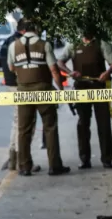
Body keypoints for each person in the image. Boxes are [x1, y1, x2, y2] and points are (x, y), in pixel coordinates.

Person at [7, 18, 70, 176]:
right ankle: (54, 166)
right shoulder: (44, 44)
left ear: (22, 30)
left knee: (23, 130)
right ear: (35, 28)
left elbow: (11, 67)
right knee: (50, 127)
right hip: (43, 89)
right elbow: (54, 70)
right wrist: (60, 88)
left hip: (23, 92)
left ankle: (24, 166)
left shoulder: (13, 46)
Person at [56, 31, 112, 169]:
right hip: (81, 89)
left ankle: (106, 159)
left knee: (104, 123)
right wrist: (70, 72)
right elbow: (60, 62)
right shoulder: (73, 44)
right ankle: (84, 159)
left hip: (99, 88)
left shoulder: (101, 43)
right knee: (83, 124)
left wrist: (107, 73)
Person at [0, 23, 39, 172]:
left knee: (17, 122)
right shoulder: (19, 44)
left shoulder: (7, 41)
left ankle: (13, 159)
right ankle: (23, 160)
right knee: (26, 123)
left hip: (11, 85)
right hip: (21, 85)